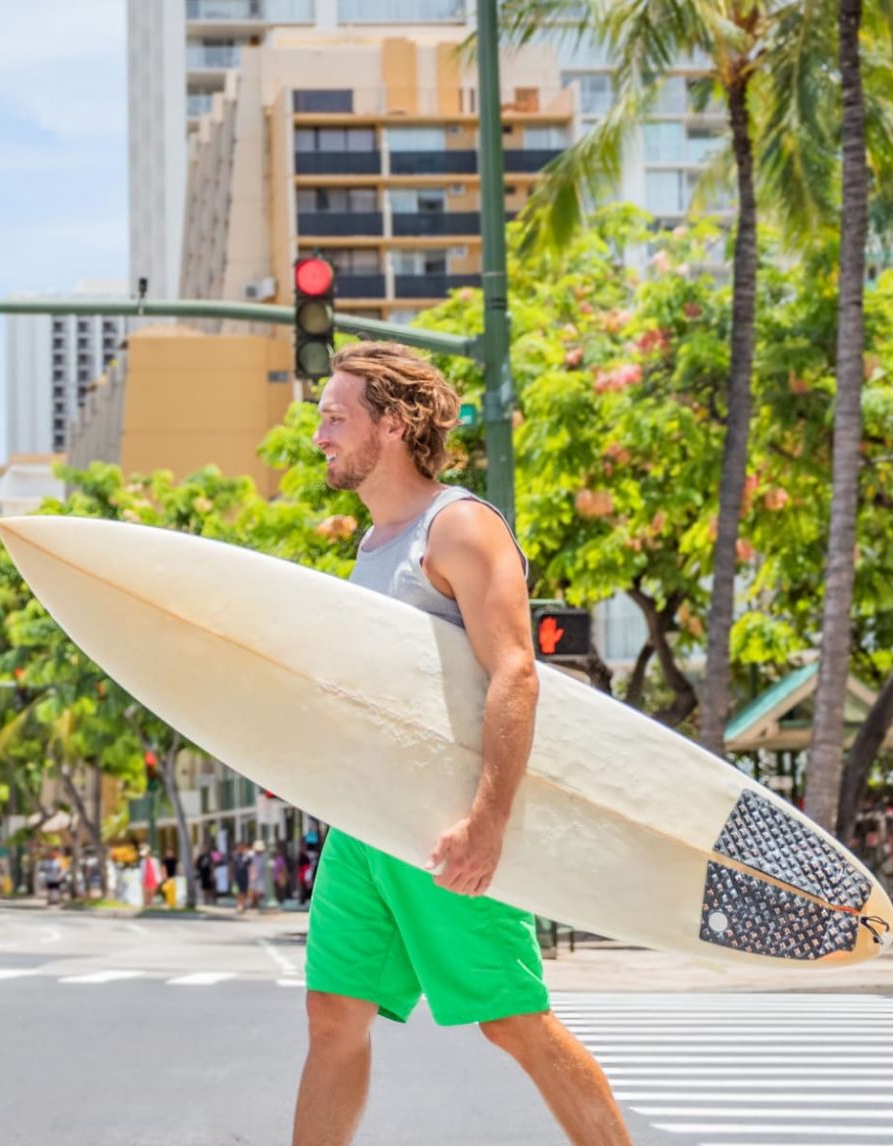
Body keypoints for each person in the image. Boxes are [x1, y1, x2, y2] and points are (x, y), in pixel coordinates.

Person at [293, 343, 630, 1146]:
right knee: (334, 1016)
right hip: (366, 826)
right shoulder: (376, 546)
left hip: (438, 821)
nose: (320, 438)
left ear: (398, 422)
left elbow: (515, 672)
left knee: (513, 1020)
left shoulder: (461, 527)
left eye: (335, 417)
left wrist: (488, 819)